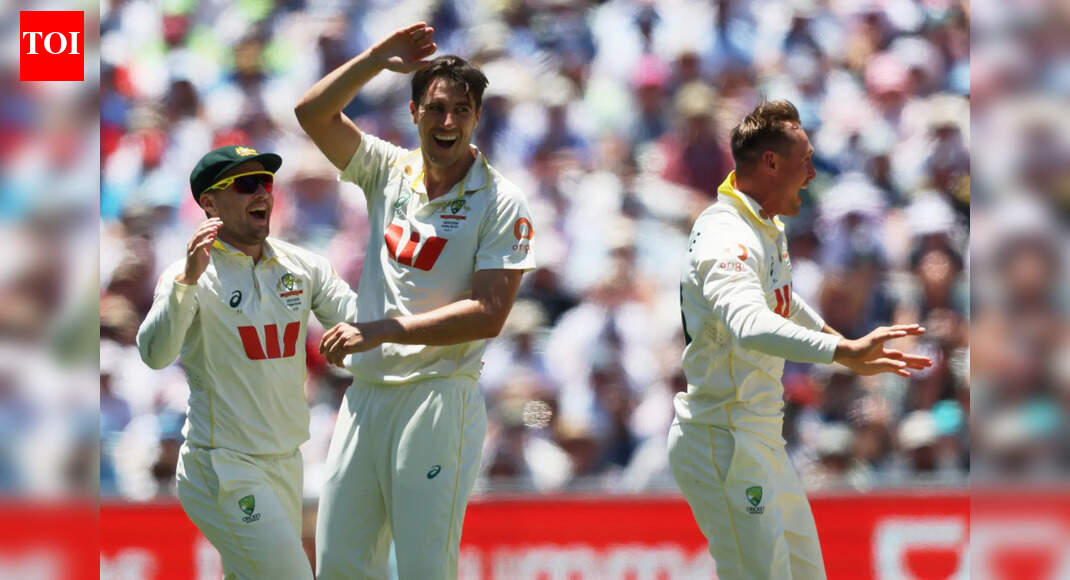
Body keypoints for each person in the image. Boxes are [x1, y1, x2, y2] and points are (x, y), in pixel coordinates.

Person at [294, 22, 536, 579]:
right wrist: (378, 56)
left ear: (477, 118)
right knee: (340, 567)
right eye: (435, 108)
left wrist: (384, 329)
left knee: (425, 569)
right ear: (414, 112)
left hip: (437, 397)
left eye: (460, 110)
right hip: (366, 396)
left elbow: (490, 313)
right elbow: (312, 114)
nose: (446, 121)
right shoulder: (388, 169)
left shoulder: (501, 201)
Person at [669, 100, 932, 579]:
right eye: (805, 159)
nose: (812, 174)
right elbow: (750, 323)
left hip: (760, 437)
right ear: (771, 163)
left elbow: (782, 303)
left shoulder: (766, 225)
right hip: (723, 438)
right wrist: (842, 351)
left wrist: (845, 348)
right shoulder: (727, 235)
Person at [136, 145, 358, 579]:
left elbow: (365, 325)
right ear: (209, 203)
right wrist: (186, 281)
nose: (262, 194)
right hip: (223, 467)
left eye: (265, 182)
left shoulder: (303, 265)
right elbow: (154, 354)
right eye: (246, 184)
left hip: (285, 461)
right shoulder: (190, 274)